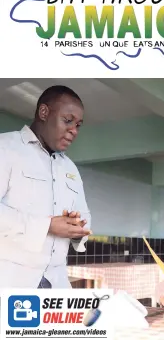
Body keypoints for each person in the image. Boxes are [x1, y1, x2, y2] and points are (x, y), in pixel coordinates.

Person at [0, 85, 91, 288]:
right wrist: (47, 226)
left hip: (57, 284)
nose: (74, 130)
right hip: (11, 283)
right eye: (68, 121)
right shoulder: (5, 148)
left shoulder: (70, 167)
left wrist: (77, 227)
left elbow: (85, 215)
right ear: (44, 112)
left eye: (78, 125)